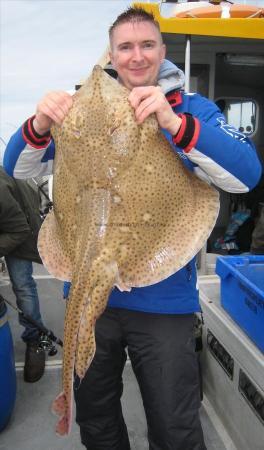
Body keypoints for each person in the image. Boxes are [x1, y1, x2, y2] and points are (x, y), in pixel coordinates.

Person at [3, 7, 262, 450]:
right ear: (113, 53)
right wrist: (41, 122)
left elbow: (246, 174)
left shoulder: (189, 109)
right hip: (86, 291)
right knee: (97, 418)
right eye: (126, 46)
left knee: (174, 423)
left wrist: (173, 123)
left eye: (147, 45)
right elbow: (18, 167)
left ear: (162, 52)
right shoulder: (80, 110)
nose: (136, 55)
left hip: (162, 299)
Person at [0, 166, 46, 383]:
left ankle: (35, 339)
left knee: (22, 286)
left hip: (22, 231)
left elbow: (19, 229)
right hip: (5, 224)